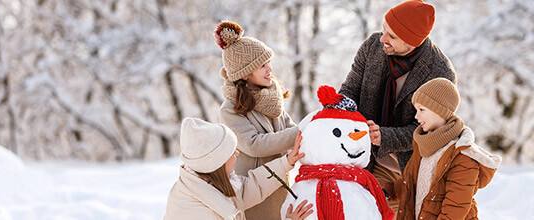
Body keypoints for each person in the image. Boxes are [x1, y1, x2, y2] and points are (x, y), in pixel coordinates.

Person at [338, 0, 457, 184]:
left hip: (403, 168)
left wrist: (385, 137)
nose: (382, 39)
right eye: (384, 29)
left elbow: (429, 131)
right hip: (360, 152)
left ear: (412, 42)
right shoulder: (372, 47)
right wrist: (338, 107)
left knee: (379, 210)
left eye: (392, 36)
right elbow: (350, 89)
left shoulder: (440, 74)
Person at [214, 21, 300, 219]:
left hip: (280, 184)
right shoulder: (230, 109)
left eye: (269, 62)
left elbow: (290, 128)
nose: (270, 69)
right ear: (245, 73)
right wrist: (301, 132)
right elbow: (254, 145)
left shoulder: (271, 99)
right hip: (255, 193)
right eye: (262, 65)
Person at [385, 78, 502, 219]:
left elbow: (455, 208)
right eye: (416, 110)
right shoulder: (424, 145)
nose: (416, 116)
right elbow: (413, 185)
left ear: (440, 110)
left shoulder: (462, 155)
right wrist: (387, 191)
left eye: (422, 109)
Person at [164, 117, 313, 220]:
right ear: (217, 162)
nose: (237, 153)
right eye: (231, 151)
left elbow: (252, 186)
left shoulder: (209, 182)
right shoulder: (202, 212)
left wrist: (286, 162)